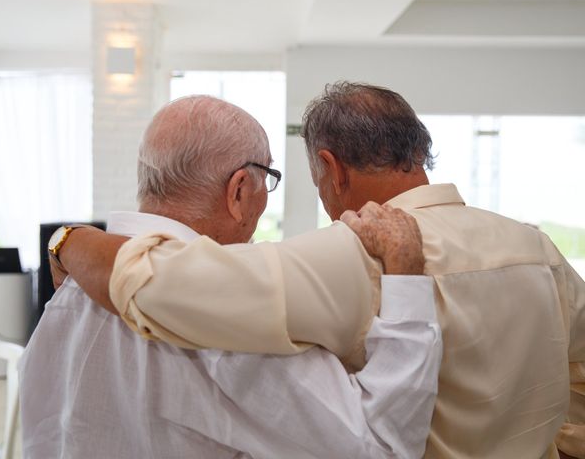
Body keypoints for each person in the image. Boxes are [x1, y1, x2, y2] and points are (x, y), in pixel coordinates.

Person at [55, 82, 585, 458]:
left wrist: (69, 241)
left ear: (330, 168)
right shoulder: (539, 250)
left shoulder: (345, 256)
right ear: (418, 150)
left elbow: (157, 282)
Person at [20, 95, 442, 458]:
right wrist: (406, 282)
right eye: (267, 180)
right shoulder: (229, 323)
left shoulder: (70, 291)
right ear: (239, 190)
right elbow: (380, 447)